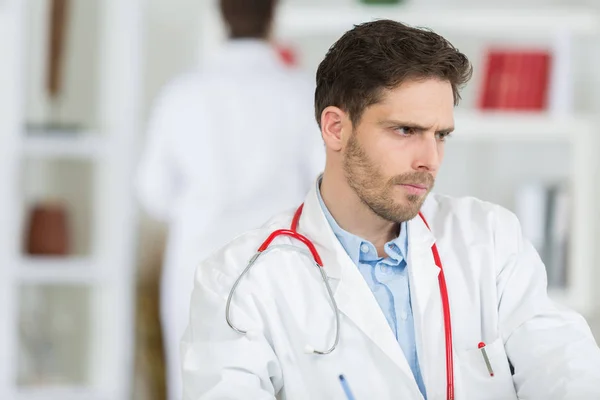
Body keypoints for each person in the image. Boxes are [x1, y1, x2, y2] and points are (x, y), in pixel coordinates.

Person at [180, 19, 600, 400]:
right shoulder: (238, 280)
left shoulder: (489, 238)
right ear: (336, 127)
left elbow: (565, 368)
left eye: (441, 135)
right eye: (406, 130)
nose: (429, 159)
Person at [135, 1, 324, 399]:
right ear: (274, 16)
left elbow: (153, 193)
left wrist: (201, 208)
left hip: (196, 266)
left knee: (195, 384)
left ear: (219, 15)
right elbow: (325, 185)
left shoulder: (182, 94)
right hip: (276, 264)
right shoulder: (301, 92)